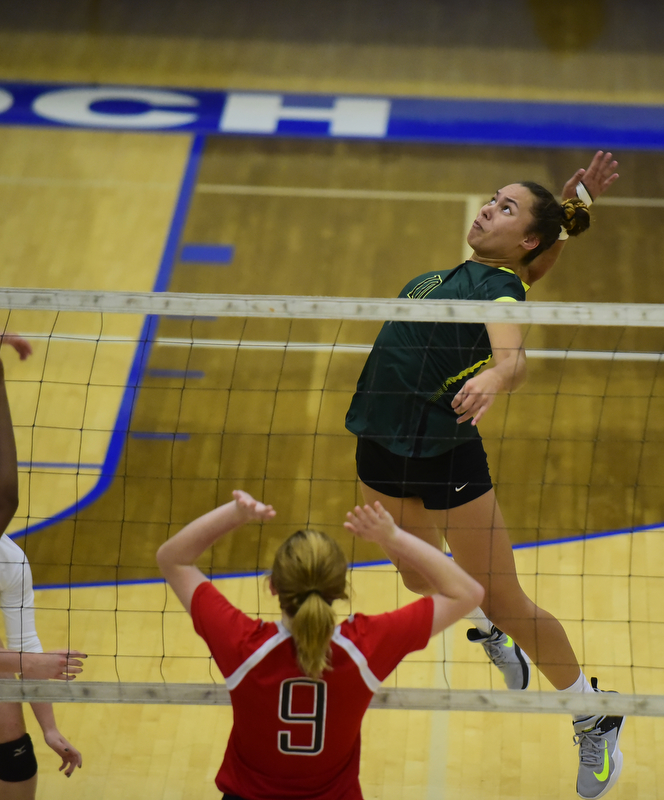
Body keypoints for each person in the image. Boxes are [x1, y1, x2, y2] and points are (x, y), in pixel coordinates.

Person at [344, 151, 623, 800]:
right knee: (419, 577)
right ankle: (492, 631)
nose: (486, 208)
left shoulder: (499, 291)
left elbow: (512, 351)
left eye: (505, 207)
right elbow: (541, 255)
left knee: (504, 597)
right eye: (491, 198)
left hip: (446, 453)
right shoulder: (434, 281)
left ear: (523, 237)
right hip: (380, 446)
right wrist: (576, 207)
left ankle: (594, 712)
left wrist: (500, 374)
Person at [156, 489, 484, 800]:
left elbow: (173, 559)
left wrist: (235, 514)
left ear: (272, 586)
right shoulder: (364, 648)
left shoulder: (242, 645)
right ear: (341, 589)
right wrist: (392, 537)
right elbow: (467, 593)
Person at [0, 334, 86, 800]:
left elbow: (25, 643)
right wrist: (25, 662)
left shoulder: (8, 560)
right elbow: (25, 656)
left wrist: (50, 728)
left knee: (16, 751)